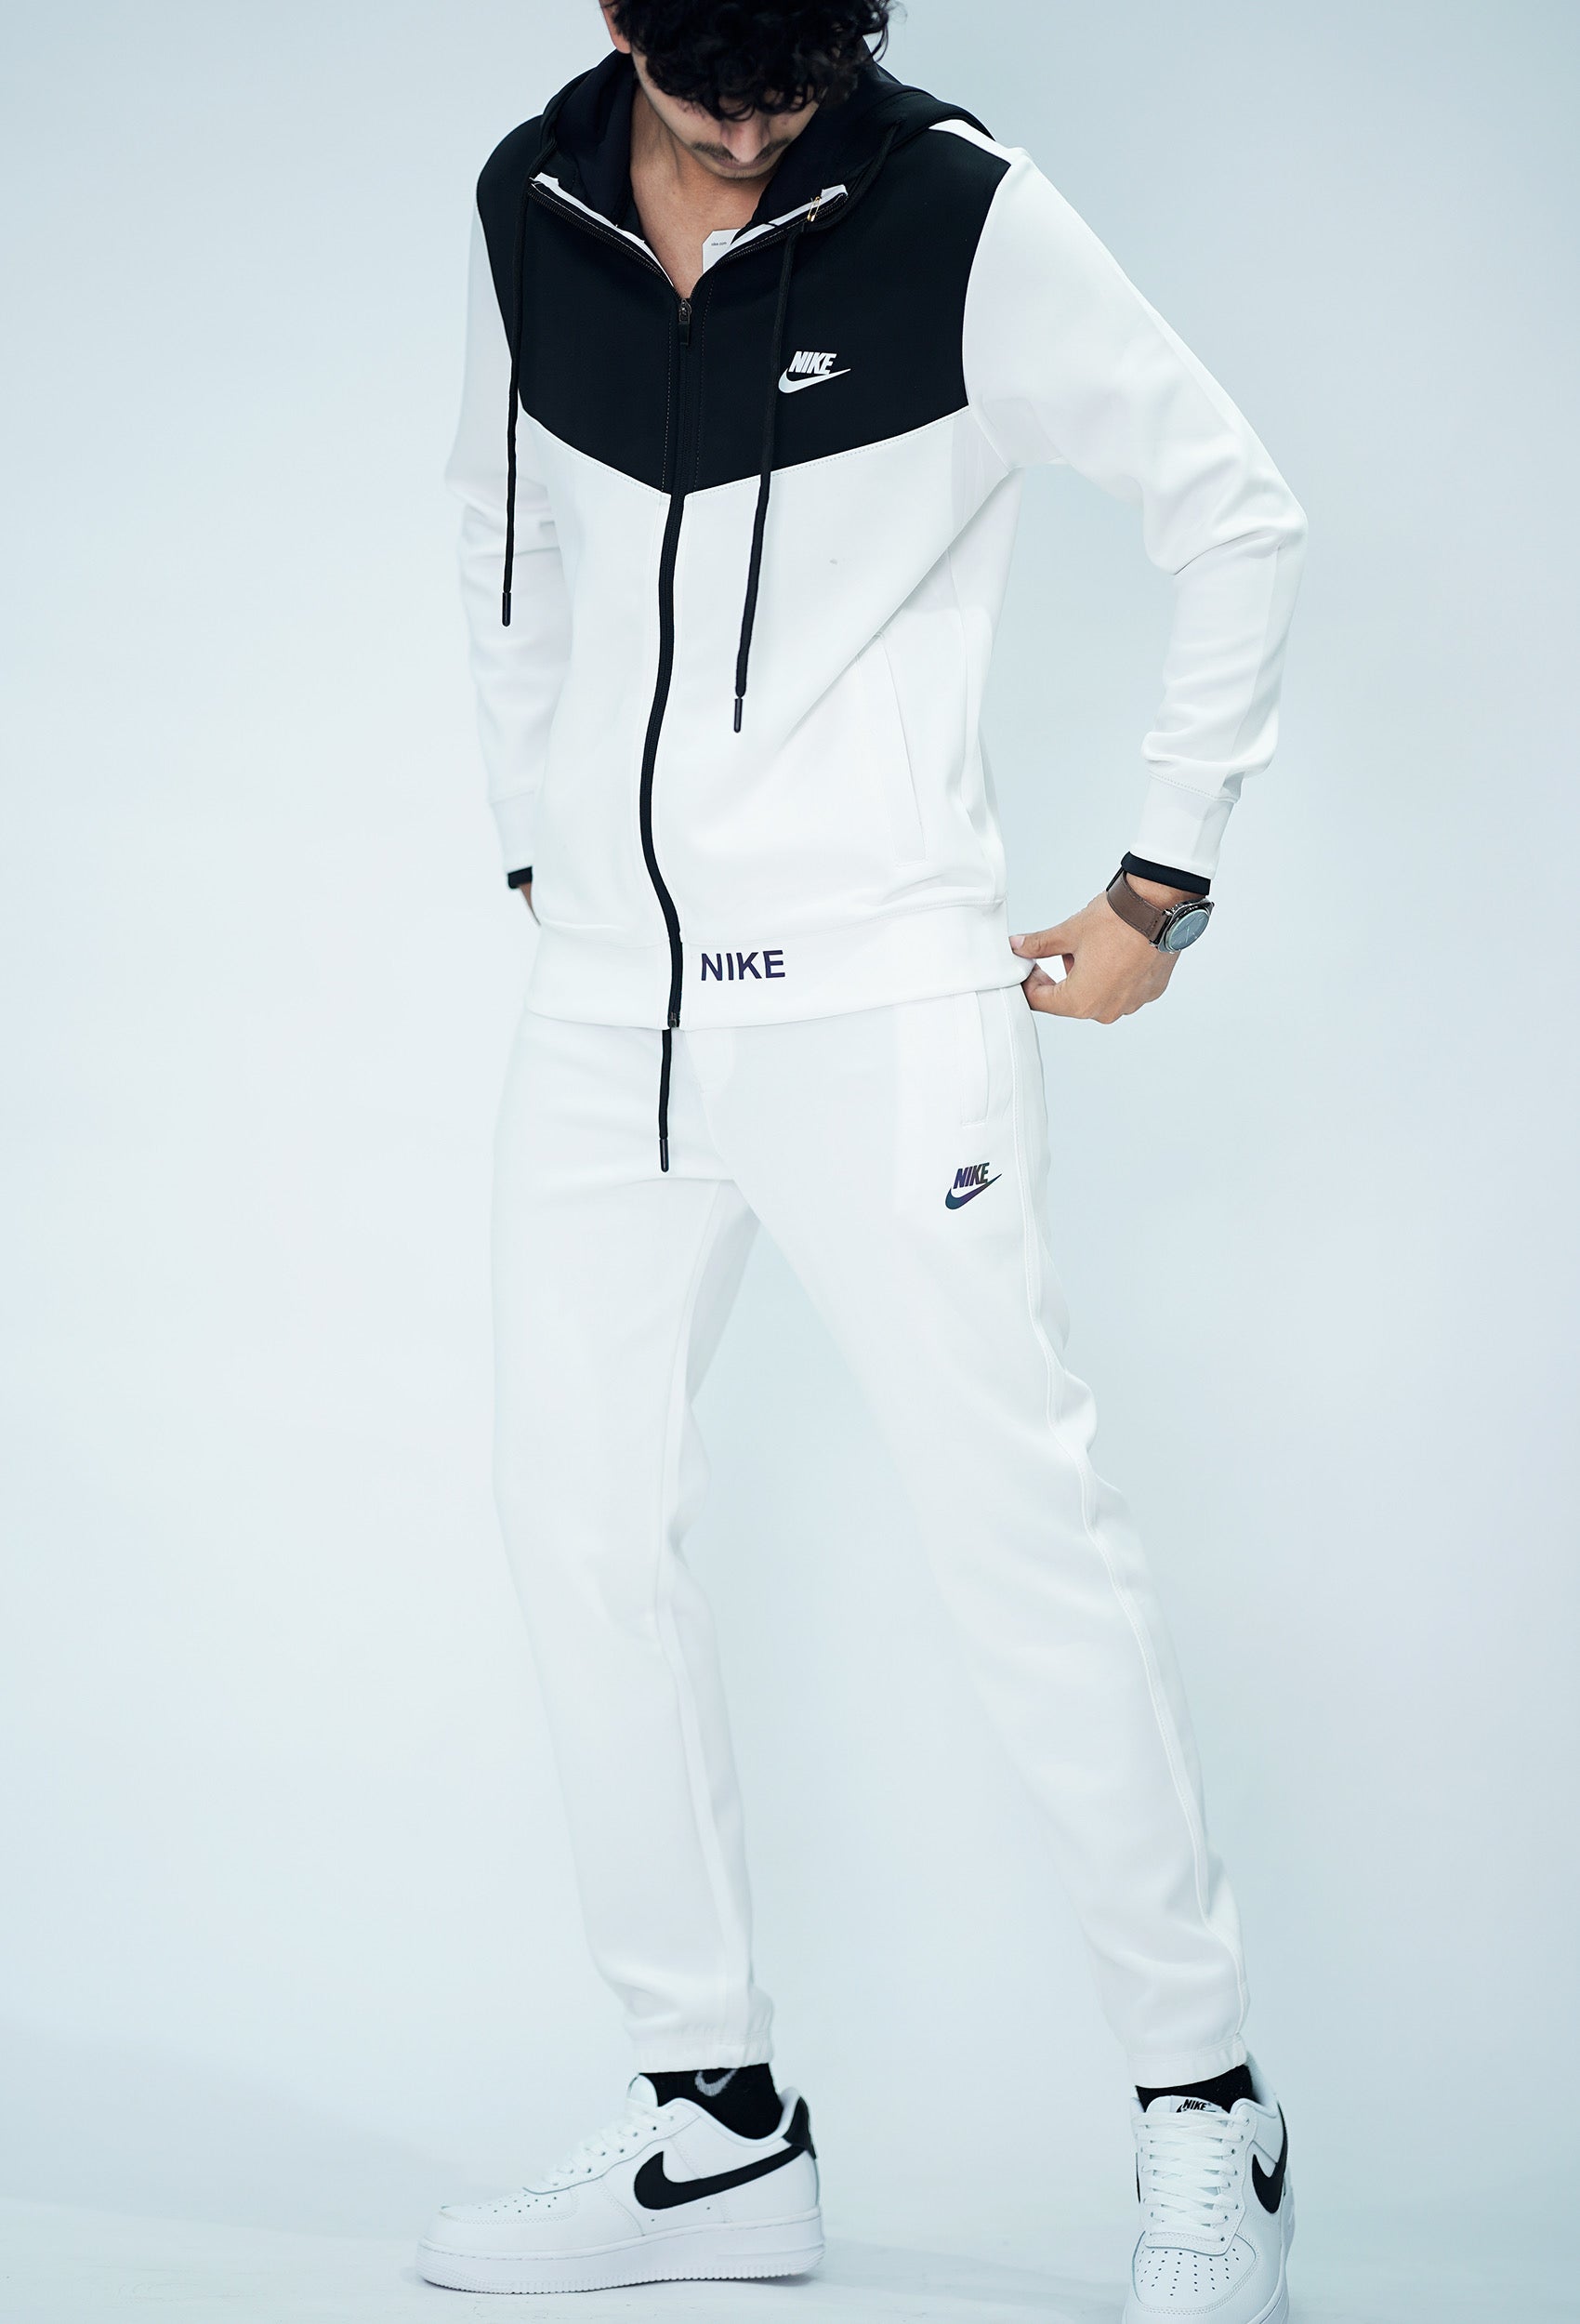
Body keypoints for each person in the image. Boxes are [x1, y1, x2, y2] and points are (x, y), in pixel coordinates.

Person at [419, 3, 1306, 2316]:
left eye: (789, 97)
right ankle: (715, 2129)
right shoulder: (531, 201)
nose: (747, 138)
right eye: (708, 95)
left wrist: (1161, 880)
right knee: (578, 1530)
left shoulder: (958, 213)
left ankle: (1204, 2105)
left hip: (880, 1004)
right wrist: (541, 857)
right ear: (619, 18)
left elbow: (1234, 505)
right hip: (606, 1014)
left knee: (1020, 1532)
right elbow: (500, 539)